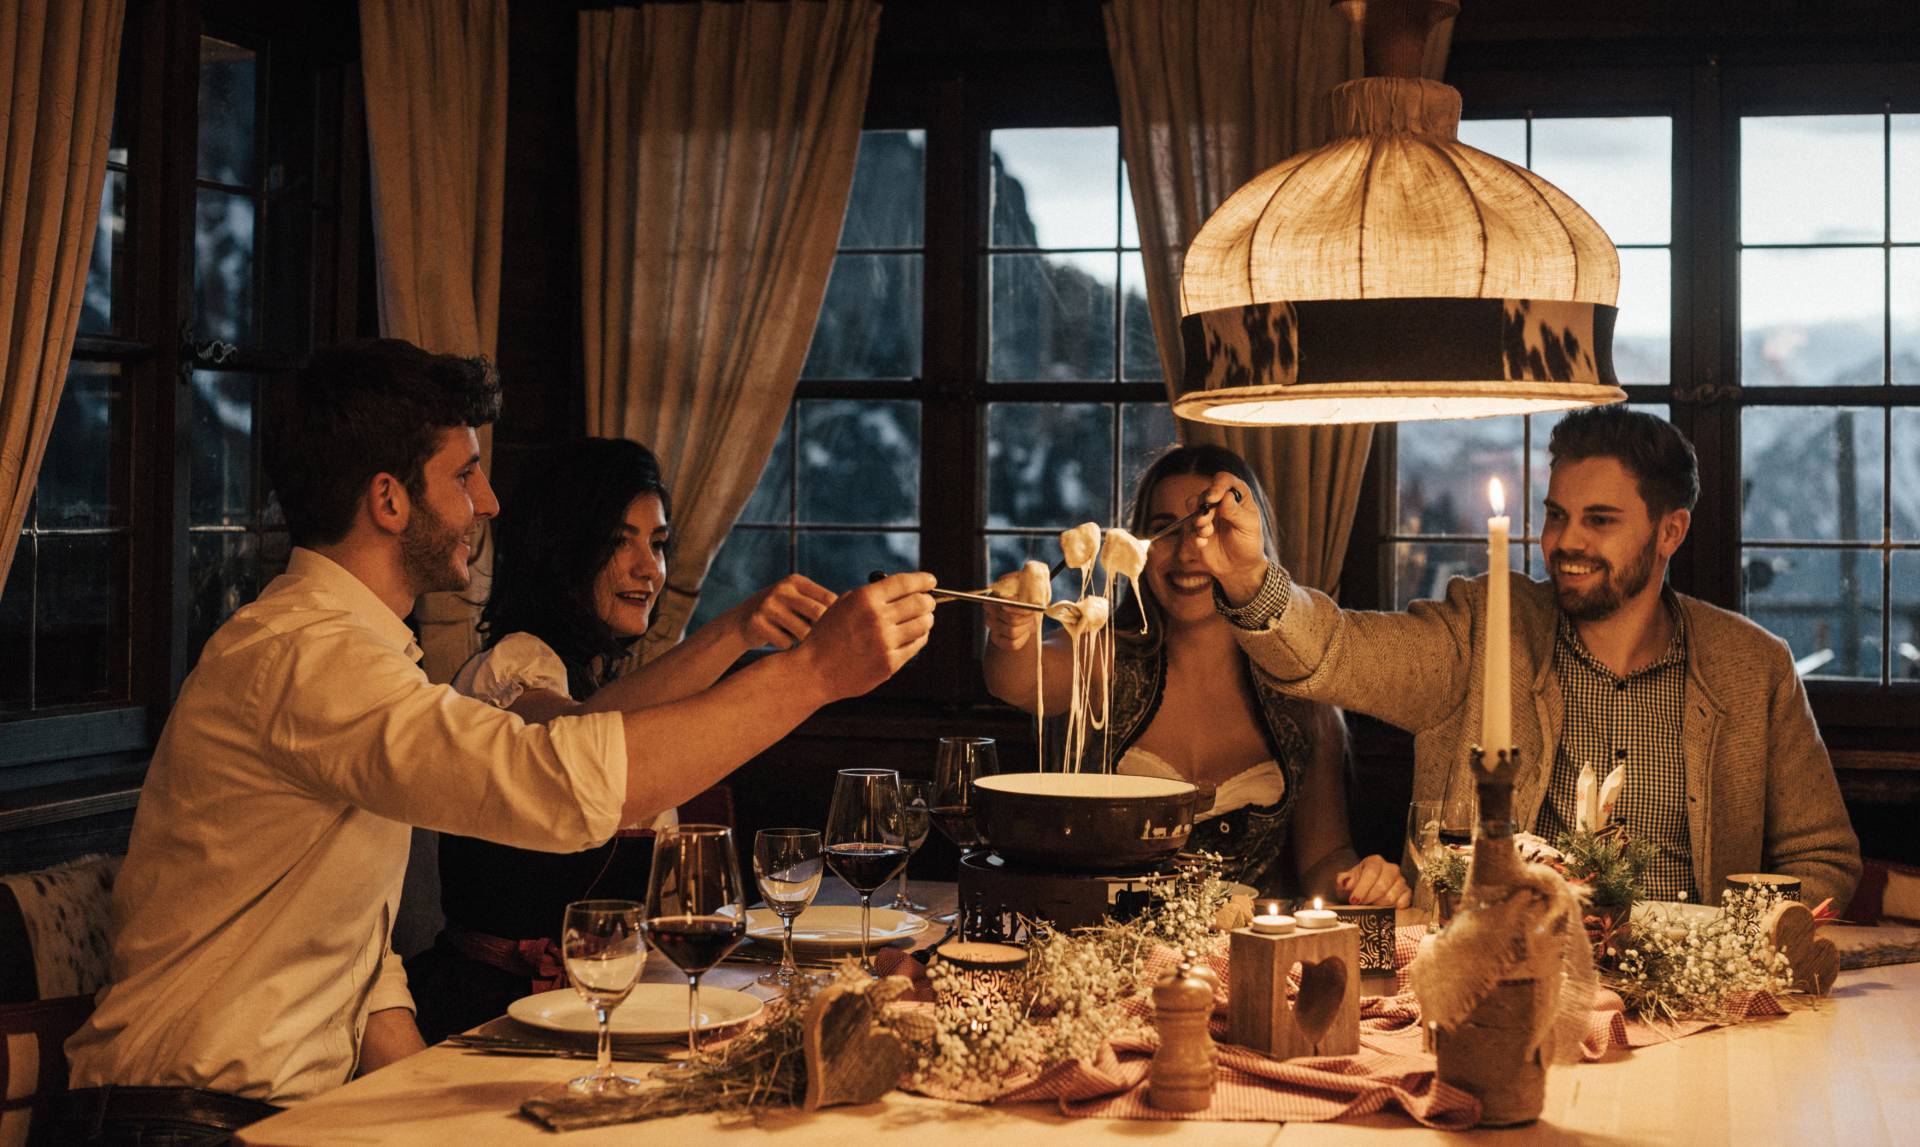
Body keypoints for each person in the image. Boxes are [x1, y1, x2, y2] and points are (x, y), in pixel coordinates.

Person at [58, 340, 936, 1142]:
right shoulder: (305, 657)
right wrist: (813, 673)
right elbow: (555, 783)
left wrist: (440, 1103)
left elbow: (355, 964)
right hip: (179, 1122)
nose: (489, 502)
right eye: (465, 475)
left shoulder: (356, 653)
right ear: (390, 499)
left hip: (280, 1111)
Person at [1184, 405, 1860, 910]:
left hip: (1694, 1008)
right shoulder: (1482, 630)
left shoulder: (1753, 668)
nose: (1565, 540)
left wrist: (1739, 948)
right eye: (1557, 514)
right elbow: (1337, 652)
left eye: (1599, 520)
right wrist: (1249, 580)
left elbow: (1824, 856)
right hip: (1497, 983)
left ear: (1670, 530)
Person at [410, 437, 837, 1042]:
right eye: (620, 541)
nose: (650, 568)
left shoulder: (604, 681)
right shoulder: (510, 666)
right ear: (563, 550)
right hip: (493, 1019)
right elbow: (579, 743)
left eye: (658, 543)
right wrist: (736, 632)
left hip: (595, 1008)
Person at [982, 444, 1409, 906]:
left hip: (1244, 960)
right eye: (1165, 531)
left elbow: (1324, 858)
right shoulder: (1106, 652)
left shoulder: (1299, 685)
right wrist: (1012, 633)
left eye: (1211, 528)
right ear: (1139, 551)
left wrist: (1363, 885)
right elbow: (1019, 681)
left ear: (1249, 544)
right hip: (1099, 956)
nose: (1188, 553)